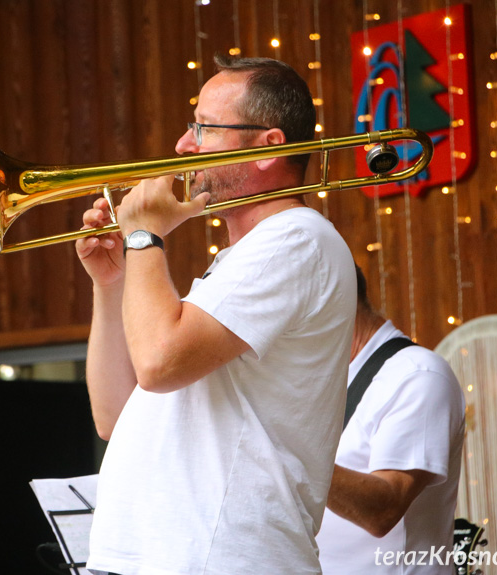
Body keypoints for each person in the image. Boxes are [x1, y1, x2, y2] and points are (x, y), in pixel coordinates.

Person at [76, 56, 356, 574]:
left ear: (271, 147)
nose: (184, 146)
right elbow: (114, 416)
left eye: (204, 128)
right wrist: (111, 284)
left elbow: (160, 364)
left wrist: (143, 237)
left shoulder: (296, 237)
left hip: (218, 558)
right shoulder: (244, 258)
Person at [315, 265, 465, 574]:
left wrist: (283, 448)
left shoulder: (417, 375)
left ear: (333, 299)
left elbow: (383, 510)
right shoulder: (322, 379)